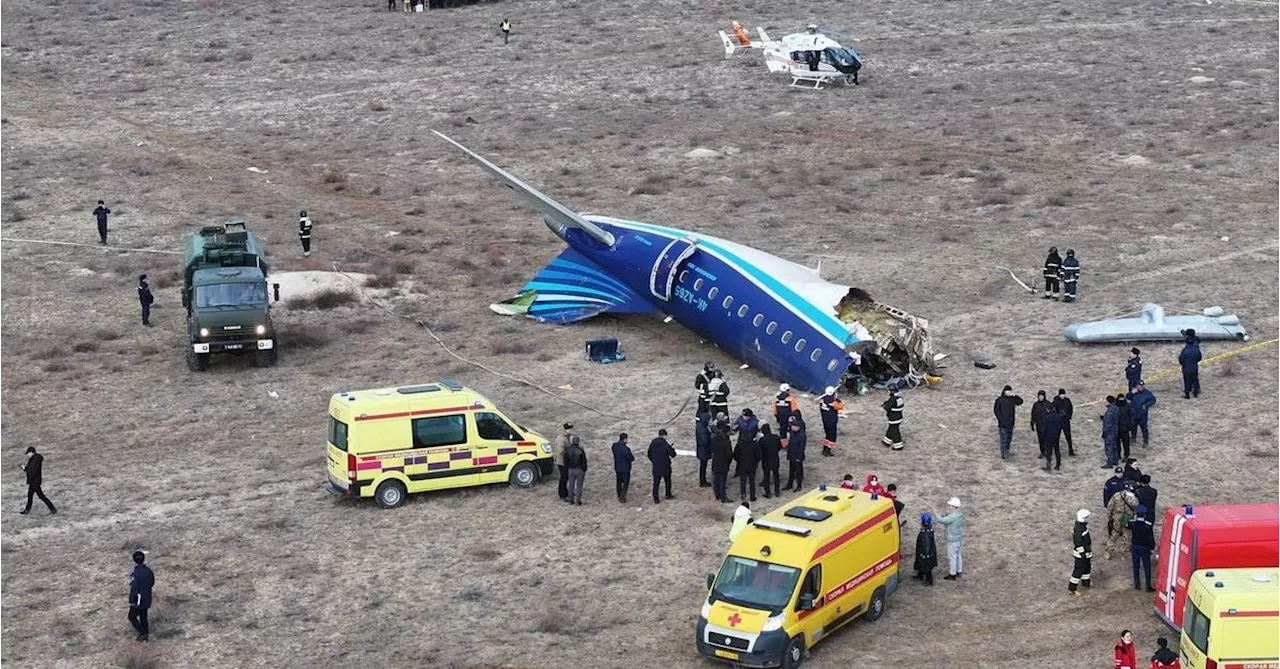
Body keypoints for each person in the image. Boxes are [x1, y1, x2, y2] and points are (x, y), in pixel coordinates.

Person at [18, 446, 57, 515]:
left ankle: (52, 508)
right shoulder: (34, 459)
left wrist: (26, 469)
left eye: (28, 453)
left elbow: (33, 470)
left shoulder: (35, 459)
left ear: (31, 452)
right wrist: (24, 468)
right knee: (30, 495)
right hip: (34, 481)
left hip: (35, 482)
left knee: (40, 496)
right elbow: (31, 469)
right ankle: (27, 510)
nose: (27, 455)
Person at [1105, 486, 1138, 560]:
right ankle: (1123, 553)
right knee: (1126, 536)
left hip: (1117, 517)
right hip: (1127, 518)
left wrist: (1109, 517)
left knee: (1114, 534)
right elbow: (1136, 507)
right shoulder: (1134, 498)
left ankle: (1108, 552)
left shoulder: (1117, 495)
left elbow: (1110, 506)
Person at [128, 551, 154, 641]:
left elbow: (134, 588)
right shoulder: (149, 571)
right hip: (147, 596)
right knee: (143, 617)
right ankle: (146, 636)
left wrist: (131, 599)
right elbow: (152, 582)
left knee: (131, 617)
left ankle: (142, 633)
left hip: (138, 599)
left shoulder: (136, 574)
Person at [936, 497, 964, 580]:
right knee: (958, 555)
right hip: (958, 539)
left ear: (954, 507)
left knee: (952, 557)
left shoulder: (953, 516)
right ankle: (959, 570)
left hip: (952, 540)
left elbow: (943, 520)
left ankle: (952, 574)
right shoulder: (958, 515)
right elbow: (948, 517)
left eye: (950, 506)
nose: (949, 507)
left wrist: (936, 514)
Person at [993, 385, 1024, 459]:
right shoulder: (999, 400)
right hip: (1003, 424)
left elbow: (1020, 402)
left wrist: (1015, 396)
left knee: (1009, 438)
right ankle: (1003, 453)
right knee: (1004, 439)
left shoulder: (1012, 399)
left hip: (1011, 423)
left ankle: (1007, 450)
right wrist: (1000, 419)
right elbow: (996, 410)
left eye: (1010, 390)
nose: (1008, 392)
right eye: (1007, 390)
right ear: (1004, 391)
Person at [1130, 505, 1156, 592]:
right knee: (1147, 566)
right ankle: (1148, 586)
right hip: (1145, 548)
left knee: (1135, 565)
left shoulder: (1132, 523)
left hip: (1135, 546)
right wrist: (1152, 548)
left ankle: (1137, 584)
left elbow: (1124, 522)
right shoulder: (1147, 526)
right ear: (1145, 515)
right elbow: (1150, 538)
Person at [647, 429, 676, 504]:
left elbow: (649, 454)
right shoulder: (665, 445)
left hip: (656, 466)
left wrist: (654, 461)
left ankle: (656, 498)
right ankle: (668, 494)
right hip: (665, 466)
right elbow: (673, 454)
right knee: (667, 481)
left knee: (656, 483)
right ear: (665, 435)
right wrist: (672, 449)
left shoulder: (653, 443)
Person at [733, 426, 760, 502]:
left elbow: (735, 455)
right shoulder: (755, 444)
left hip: (742, 465)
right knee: (752, 481)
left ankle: (743, 494)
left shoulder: (740, 444)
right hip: (752, 465)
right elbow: (758, 456)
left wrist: (739, 461)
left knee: (743, 481)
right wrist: (755, 462)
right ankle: (752, 496)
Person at [1069, 508, 1093, 595]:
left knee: (1087, 568)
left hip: (1086, 552)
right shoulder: (1079, 528)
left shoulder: (1082, 526)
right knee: (1078, 570)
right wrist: (1082, 553)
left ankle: (1086, 583)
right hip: (1081, 554)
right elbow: (1078, 542)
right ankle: (1072, 588)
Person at [1127, 381, 1157, 447]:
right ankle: (1133, 438)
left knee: (1144, 428)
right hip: (1134, 413)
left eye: (1142, 386)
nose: (1141, 387)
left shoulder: (1147, 393)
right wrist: (1132, 393)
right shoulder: (1134, 392)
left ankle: (1145, 441)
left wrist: (1147, 405)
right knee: (1133, 427)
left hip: (1142, 415)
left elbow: (1153, 400)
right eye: (1139, 386)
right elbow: (1128, 397)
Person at [781, 416, 807, 492]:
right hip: (791, 454)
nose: (793, 427)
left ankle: (799, 485)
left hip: (797, 456)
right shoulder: (792, 433)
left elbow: (801, 448)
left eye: (794, 426)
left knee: (798, 471)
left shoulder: (802, 436)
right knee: (791, 471)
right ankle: (789, 484)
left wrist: (798, 457)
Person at [710, 420, 733, 503]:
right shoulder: (725, 443)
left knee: (716, 480)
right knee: (722, 481)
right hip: (723, 464)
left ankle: (717, 495)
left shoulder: (714, 439)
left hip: (715, 462)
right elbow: (729, 454)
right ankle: (723, 497)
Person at [1037, 402, 1064, 471]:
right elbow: (1060, 426)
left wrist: (1043, 435)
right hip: (1056, 436)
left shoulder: (1046, 417)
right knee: (1057, 450)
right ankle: (1058, 465)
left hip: (1048, 437)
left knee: (1049, 451)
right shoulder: (1058, 416)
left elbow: (1044, 428)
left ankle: (1048, 466)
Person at [757, 424, 781, 499]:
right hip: (775, 458)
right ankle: (777, 491)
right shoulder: (776, 437)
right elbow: (779, 447)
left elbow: (759, 450)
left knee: (766, 476)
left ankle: (768, 492)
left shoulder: (762, 440)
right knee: (776, 475)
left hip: (766, 460)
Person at [818, 387, 844, 456]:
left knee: (827, 436)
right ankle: (827, 451)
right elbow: (841, 407)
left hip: (825, 421)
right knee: (832, 437)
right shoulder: (834, 403)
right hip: (832, 422)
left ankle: (825, 449)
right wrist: (838, 400)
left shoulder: (822, 401)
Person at [914, 513, 938, 585]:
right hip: (924, 552)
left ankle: (929, 581)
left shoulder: (925, 534)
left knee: (927, 568)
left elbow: (926, 545)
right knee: (920, 564)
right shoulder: (928, 531)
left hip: (925, 554)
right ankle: (920, 575)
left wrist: (925, 555)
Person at [564, 435, 587, 505]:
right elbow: (584, 461)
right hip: (579, 469)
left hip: (571, 469)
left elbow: (565, 460)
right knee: (579, 486)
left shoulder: (568, 450)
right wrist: (584, 469)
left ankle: (571, 500)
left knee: (571, 485)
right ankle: (578, 501)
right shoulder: (580, 450)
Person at [553, 423, 574, 502]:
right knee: (563, 478)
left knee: (565, 477)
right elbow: (560, 451)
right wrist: (569, 450)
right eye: (570, 429)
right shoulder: (561, 439)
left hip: (565, 461)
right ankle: (562, 494)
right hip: (562, 461)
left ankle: (565, 492)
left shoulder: (567, 437)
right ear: (566, 430)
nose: (571, 430)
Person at [611, 433, 633, 504]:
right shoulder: (626, 449)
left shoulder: (614, 446)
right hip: (625, 468)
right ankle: (623, 496)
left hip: (617, 467)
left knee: (618, 482)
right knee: (625, 483)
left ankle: (619, 494)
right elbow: (631, 458)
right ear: (625, 439)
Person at [1178, 335, 1202, 399]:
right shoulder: (1196, 349)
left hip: (1186, 368)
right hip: (1194, 367)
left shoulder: (1184, 350)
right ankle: (1195, 393)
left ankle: (1187, 394)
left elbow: (1181, 359)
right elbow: (1199, 358)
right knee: (1195, 379)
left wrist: (1183, 364)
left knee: (1187, 381)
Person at [1052, 388, 1075, 456]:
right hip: (1058, 422)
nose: (1062, 395)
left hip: (1066, 421)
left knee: (1068, 436)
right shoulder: (1055, 402)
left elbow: (1071, 409)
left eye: (1063, 394)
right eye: (1061, 394)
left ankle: (1071, 451)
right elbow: (1053, 411)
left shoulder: (1067, 401)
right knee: (1057, 437)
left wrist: (1069, 416)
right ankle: (1057, 452)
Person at [881, 385, 905, 450]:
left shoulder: (893, 399)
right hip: (898, 417)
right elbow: (892, 403)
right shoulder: (899, 397)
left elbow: (887, 407)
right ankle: (887, 441)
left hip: (894, 418)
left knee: (895, 432)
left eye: (889, 390)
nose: (888, 392)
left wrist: (883, 405)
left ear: (892, 391)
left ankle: (898, 445)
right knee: (891, 429)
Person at [1030, 390, 1053, 456]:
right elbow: (1033, 414)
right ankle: (1042, 452)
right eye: (1040, 396)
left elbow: (1052, 414)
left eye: (1042, 396)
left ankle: (1048, 451)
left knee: (1047, 439)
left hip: (1047, 425)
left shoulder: (1048, 404)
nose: (1041, 397)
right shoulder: (1036, 405)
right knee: (1040, 439)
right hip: (1039, 425)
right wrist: (1032, 423)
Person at [1101, 396, 1120, 468]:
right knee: (1114, 446)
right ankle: (1115, 460)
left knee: (1109, 447)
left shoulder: (1110, 411)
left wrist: (1104, 433)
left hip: (1109, 432)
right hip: (1115, 430)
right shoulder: (1116, 408)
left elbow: (1108, 424)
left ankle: (1110, 463)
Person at [695, 409, 712, 488]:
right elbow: (705, 441)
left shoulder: (699, 426)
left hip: (701, 450)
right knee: (703, 466)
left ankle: (703, 480)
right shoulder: (703, 429)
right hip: (704, 450)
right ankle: (702, 481)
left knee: (703, 466)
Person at [1115, 396, 1134, 461]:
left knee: (1126, 443)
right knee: (1117, 443)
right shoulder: (1115, 406)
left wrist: (1130, 426)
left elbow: (1131, 416)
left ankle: (1126, 455)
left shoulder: (1128, 406)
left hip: (1125, 429)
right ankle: (1118, 455)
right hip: (1117, 428)